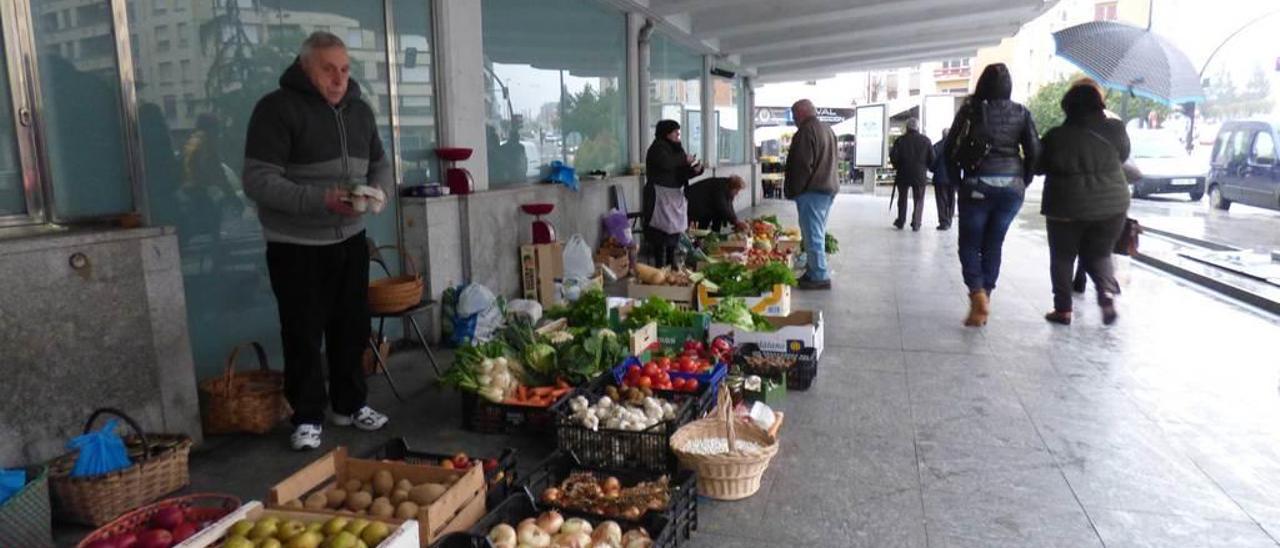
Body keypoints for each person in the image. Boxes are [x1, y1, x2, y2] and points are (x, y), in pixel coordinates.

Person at [243, 31, 391, 450]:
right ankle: (307, 415)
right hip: (296, 244)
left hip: (350, 237)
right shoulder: (276, 110)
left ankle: (350, 404)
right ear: (305, 68)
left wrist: (378, 194)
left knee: (353, 326)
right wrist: (320, 200)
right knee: (303, 332)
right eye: (328, 69)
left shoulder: (360, 112)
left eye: (344, 69)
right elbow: (257, 180)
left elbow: (380, 163)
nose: (338, 78)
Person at [945, 63, 1040, 326]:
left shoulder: (971, 110)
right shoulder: (1021, 112)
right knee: (993, 244)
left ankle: (977, 293)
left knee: (970, 244)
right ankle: (986, 294)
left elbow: (949, 149)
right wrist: (1023, 180)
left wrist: (958, 183)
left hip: (976, 184)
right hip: (1011, 186)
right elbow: (1034, 151)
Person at [1037, 83, 1131, 325]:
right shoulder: (1116, 129)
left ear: (1068, 108)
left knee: (1063, 257)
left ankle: (1063, 310)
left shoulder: (1056, 136)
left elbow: (1038, 166)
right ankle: (1107, 295)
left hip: (1066, 205)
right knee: (1100, 254)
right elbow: (1123, 155)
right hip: (1112, 205)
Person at [784, 99, 839, 290]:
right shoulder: (827, 129)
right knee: (817, 232)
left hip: (812, 190)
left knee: (812, 233)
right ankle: (814, 269)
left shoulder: (806, 132)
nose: (794, 119)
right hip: (827, 187)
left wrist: (795, 190)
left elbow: (801, 165)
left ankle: (818, 275)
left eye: (794, 115)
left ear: (800, 113)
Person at [643, 120, 703, 267]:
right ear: (667, 133)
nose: (678, 135)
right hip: (658, 197)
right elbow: (666, 163)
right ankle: (660, 267)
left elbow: (681, 172)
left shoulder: (677, 148)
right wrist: (684, 159)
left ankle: (672, 265)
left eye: (678, 132)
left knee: (673, 233)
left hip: (675, 196)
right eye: (675, 132)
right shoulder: (657, 148)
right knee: (660, 234)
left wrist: (695, 170)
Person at [889, 117, 934, 231]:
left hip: (903, 173)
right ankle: (916, 222)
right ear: (917, 127)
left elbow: (893, 157)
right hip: (919, 174)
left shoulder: (900, 140)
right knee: (919, 199)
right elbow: (932, 158)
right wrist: (925, 167)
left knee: (902, 198)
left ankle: (901, 221)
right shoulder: (926, 140)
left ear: (907, 127)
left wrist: (897, 166)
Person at [931, 128, 956, 230]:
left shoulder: (937, 146)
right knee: (952, 198)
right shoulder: (956, 146)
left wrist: (933, 170)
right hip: (953, 176)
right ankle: (949, 218)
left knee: (941, 200)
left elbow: (931, 161)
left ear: (942, 135)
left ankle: (943, 221)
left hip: (940, 177)